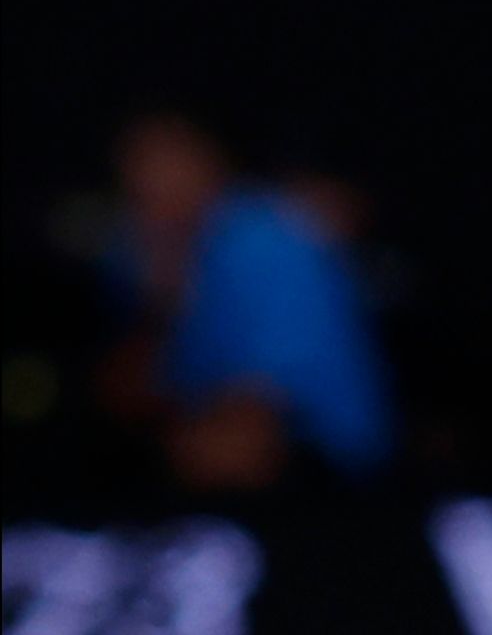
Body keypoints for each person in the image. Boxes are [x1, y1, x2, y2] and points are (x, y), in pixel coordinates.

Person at [95, 111, 396, 491]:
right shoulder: (132, 250)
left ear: (212, 158)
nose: (148, 179)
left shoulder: (263, 238)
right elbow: (127, 386)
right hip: (226, 478)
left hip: (335, 481)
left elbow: (250, 434)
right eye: (134, 160)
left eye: (166, 157)